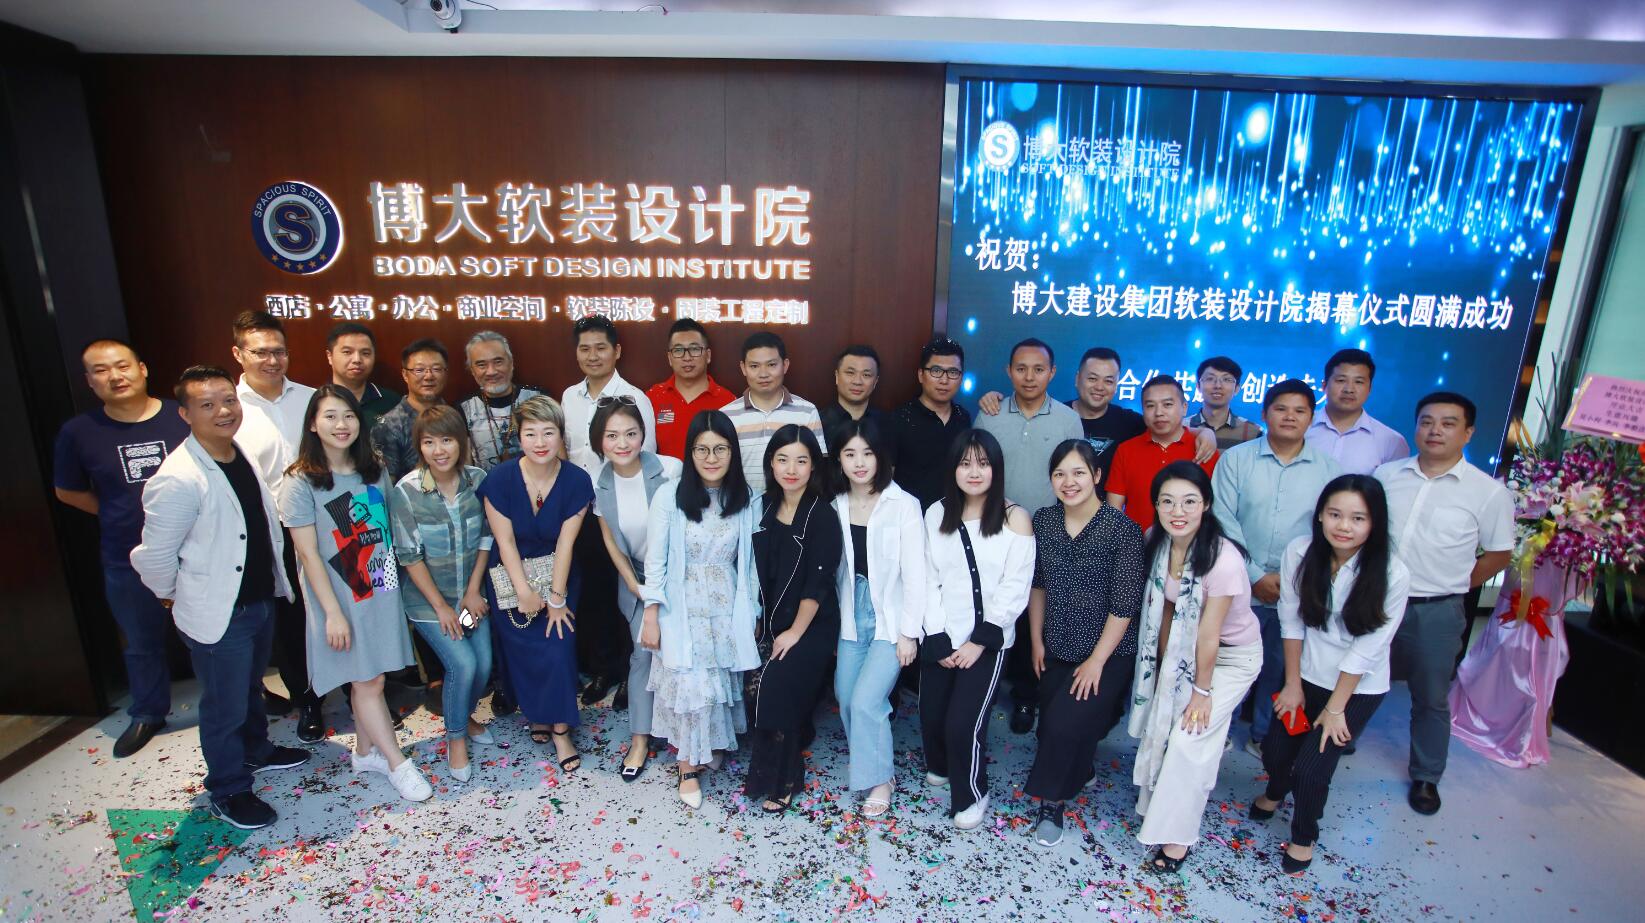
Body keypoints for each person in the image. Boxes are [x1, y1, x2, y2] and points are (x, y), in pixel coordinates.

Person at [131, 366, 309, 830]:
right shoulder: (178, 477)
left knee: (249, 688)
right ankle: (228, 789)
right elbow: (154, 558)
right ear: (185, 414)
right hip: (219, 612)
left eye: (228, 400)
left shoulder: (237, 452)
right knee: (223, 705)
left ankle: (256, 750)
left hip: (258, 599)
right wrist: (174, 597)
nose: (223, 411)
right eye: (207, 405)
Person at [1249, 475, 1410, 875]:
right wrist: (1292, 684)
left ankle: (1304, 836)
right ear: (1320, 514)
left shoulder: (1393, 573)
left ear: (1375, 523)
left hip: (1356, 689)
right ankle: (1275, 790)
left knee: (1311, 769)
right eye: (1335, 514)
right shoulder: (1300, 552)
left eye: (1358, 518)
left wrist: (1336, 708)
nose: (1344, 526)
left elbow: (1369, 648)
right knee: (1275, 751)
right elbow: (1291, 621)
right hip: (1304, 674)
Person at [279, 386, 430, 803]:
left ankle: (365, 753)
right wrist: (332, 613)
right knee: (365, 680)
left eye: (348, 416)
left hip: (379, 586)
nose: (341, 425)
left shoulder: (373, 469)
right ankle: (397, 764)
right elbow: (307, 553)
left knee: (374, 676)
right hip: (339, 596)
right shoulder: (299, 480)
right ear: (313, 424)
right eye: (330, 416)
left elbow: (387, 529)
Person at [1375, 392, 1513, 816]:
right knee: (1354, 678)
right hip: (1376, 600)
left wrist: (1455, 585)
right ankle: (1339, 742)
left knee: (1431, 696)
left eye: (1448, 423)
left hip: (1436, 610)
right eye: (1427, 421)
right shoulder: (1386, 476)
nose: (1435, 430)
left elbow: (1499, 554)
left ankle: (1426, 776)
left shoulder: (1488, 492)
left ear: (1468, 433)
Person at [54, 338, 190, 757]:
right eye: (101, 370)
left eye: (122, 365)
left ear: (142, 368)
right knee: (141, 640)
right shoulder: (79, 432)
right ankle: (148, 712)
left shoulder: (183, 415)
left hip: (194, 550)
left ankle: (249, 694)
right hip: (126, 554)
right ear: (89, 381)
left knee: (221, 633)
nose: (115, 376)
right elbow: (67, 490)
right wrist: (117, 512)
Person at [1128, 461, 1261, 873]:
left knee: (1189, 740)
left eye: (1189, 501)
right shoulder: (1156, 541)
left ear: (1206, 504)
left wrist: (1201, 693)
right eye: (1166, 501)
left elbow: (1208, 635)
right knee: (1168, 723)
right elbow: (1166, 611)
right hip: (1183, 652)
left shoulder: (1223, 560)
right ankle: (1158, 803)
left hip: (1231, 657)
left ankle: (1178, 839)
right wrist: (1163, 674)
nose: (1177, 511)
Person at [1024, 439, 1146, 847]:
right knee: (1052, 725)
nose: (1068, 481)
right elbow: (1037, 585)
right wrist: (1036, 639)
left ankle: (1051, 803)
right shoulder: (1044, 521)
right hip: (1056, 642)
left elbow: (1124, 605)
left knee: (1063, 725)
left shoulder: (1122, 530)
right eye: (1059, 474)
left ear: (1096, 476)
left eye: (1078, 472)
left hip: (1107, 652)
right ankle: (1080, 767)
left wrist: (1096, 661)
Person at [911, 429, 1035, 830]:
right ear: (953, 468)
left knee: (963, 724)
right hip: (943, 633)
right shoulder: (936, 513)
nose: (974, 472)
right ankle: (943, 766)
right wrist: (937, 635)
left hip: (987, 642)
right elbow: (927, 577)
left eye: (983, 463)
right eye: (965, 463)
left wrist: (979, 641)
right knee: (932, 715)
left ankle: (972, 795)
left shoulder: (1015, 518)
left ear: (996, 468)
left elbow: (1016, 586)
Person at [639, 410, 761, 809]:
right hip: (682, 605)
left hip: (725, 605)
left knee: (717, 682)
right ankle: (687, 766)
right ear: (690, 453)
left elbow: (750, 564)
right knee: (692, 685)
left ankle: (710, 744)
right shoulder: (669, 496)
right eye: (702, 449)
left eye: (720, 449)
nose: (711, 458)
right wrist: (652, 613)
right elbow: (656, 560)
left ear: (733, 452)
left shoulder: (746, 499)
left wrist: (753, 610)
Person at [1212, 379, 1341, 756]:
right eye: (1281, 408)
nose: (1289, 417)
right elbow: (1222, 518)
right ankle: (1218, 731)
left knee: (1279, 666)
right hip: (1238, 584)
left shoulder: (1329, 470)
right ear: (1265, 413)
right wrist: (1254, 575)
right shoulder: (1236, 460)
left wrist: (1288, 580)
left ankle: (1263, 736)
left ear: (1311, 418)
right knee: (1227, 661)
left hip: (1294, 589)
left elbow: (1329, 529)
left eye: (1300, 411)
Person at [477, 395, 594, 773]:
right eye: (531, 433)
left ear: (561, 435)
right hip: (510, 576)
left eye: (548, 432)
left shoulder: (577, 480)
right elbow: (505, 542)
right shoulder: (499, 480)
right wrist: (524, 591)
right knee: (522, 651)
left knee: (558, 646)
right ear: (519, 436)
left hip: (559, 574)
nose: (540, 442)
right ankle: (538, 715)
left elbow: (566, 544)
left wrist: (556, 598)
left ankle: (561, 729)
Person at [973, 338, 1082, 735]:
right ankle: (982, 687)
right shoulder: (990, 414)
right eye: (1021, 368)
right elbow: (974, 469)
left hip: (1049, 533)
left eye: (1039, 369)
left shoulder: (1068, 419)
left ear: (1052, 373)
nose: (1029, 376)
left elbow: (1077, 478)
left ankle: (1026, 695)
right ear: (1008, 371)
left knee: (1037, 616)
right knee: (994, 608)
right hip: (996, 531)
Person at [387, 405, 496, 784]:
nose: (439, 450)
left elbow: (487, 537)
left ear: (461, 441)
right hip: (428, 602)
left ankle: (462, 716)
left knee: (484, 665)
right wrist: (440, 607)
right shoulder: (407, 491)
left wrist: (473, 590)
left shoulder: (478, 480)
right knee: (462, 665)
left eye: (446, 440)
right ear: (419, 446)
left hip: (470, 595)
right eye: (429, 442)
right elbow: (409, 556)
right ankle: (456, 738)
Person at [229, 310, 324, 740]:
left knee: (338, 607)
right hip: (271, 531)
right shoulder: (230, 408)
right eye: (260, 352)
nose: (272, 360)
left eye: (279, 352)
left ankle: (357, 692)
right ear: (239, 354)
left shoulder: (311, 399)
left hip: (324, 524)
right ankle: (307, 701)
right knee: (290, 620)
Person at [830, 416, 925, 817]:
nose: (859, 462)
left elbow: (916, 574)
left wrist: (909, 633)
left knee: (868, 701)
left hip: (891, 620)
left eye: (867, 453)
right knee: (846, 698)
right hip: (851, 617)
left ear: (880, 456)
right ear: (839, 460)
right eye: (850, 454)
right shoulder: (835, 505)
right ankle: (872, 763)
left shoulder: (903, 505)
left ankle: (881, 779)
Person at [561, 315, 657, 708]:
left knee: (629, 591)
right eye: (584, 348)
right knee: (596, 593)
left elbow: (646, 457)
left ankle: (632, 671)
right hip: (582, 512)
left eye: (601, 347)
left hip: (623, 509)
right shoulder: (569, 397)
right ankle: (604, 670)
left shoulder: (634, 398)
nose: (593, 355)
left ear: (617, 351)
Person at [745, 425, 842, 813]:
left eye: (801, 461)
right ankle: (798, 728)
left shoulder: (822, 515)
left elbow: (817, 587)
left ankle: (784, 778)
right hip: (770, 619)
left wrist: (793, 634)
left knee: (774, 683)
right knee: (750, 682)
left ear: (813, 465)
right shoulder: (763, 507)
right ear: (771, 462)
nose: (791, 469)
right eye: (783, 459)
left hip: (810, 625)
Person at [589, 398, 682, 781]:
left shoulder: (670, 469)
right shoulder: (599, 482)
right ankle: (640, 738)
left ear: (644, 435)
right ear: (599, 441)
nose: (623, 443)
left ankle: (686, 736)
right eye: (612, 436)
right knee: (643, 655)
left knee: (680, 655)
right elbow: (611, 541)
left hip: (679, 576)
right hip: (636, 580)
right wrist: (634, 585)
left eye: (631, 433)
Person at [1108, 375, 1220, 532]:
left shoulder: (1205, 449)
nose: (1159, 412)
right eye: (1150, 406)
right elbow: (1114, 509)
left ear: (1184, 407)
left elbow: (1219, 510)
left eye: (1167, 404)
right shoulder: (1126, 450)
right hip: (1137, 544)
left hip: (1193, 544)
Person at [722, 332, 826, 492]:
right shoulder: (726, 415)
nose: (763, 374)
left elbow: (818, 466)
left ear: (785, 365)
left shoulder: (807, 412)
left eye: (771, 365)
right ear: (743, 368)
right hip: (742, 504)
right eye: (754, 366)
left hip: (792, 505)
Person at [889, 335, 972, 510]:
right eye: (936, 371)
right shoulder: (899, 419)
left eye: (953, 372)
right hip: (910, 517)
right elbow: (886, 479)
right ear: (921, 375)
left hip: (954, 517)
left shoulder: (963, 418)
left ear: (961, 377)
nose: (944, 380)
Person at [646, 318, 736, 461]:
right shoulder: (652, 397)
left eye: (694, 349)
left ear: (708, 355)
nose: (687, 358)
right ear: (669, 358)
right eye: (678, 350)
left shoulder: (728, 401)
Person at [1306, 349, 1409, 475]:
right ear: (1324, 386)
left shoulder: (1391, 442)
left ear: (1369, 389)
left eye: (1359, 382)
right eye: (1341, 380)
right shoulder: (1300, 427)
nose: (1349, 389)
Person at [460, 330, 544, 472]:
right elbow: (466, 469)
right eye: (481, 365)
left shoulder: (538, 398)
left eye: (498, 362)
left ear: (511, 363)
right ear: (472, 370)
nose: (491, 371)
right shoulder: (464, 409)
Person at [372, 337, 450, 483]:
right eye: (419, 370)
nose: (429, 376)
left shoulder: (455, 416)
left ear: (445, 373)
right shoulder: (389, 426)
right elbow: (386, 485)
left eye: (436, 369)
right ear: (405, 374)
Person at [325, 321, 399, 433]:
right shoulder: (316, 401)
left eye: (365, 353)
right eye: (347, 352)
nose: (357, 360)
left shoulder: (392, 402)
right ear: (330, 356)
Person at [1187, 356, 1262, 451]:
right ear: (1198, 386)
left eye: (1227, 379)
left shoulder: (1253, 432)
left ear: (1237, 389)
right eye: (1210, 378)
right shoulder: (1181, 428)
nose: (1218, 385)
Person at [820, 345, 888, 438]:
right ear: (837, 376)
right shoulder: (818, 422)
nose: (857, 381)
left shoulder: (887, 424)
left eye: (866, 375)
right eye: (850, 373)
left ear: (875, 382)